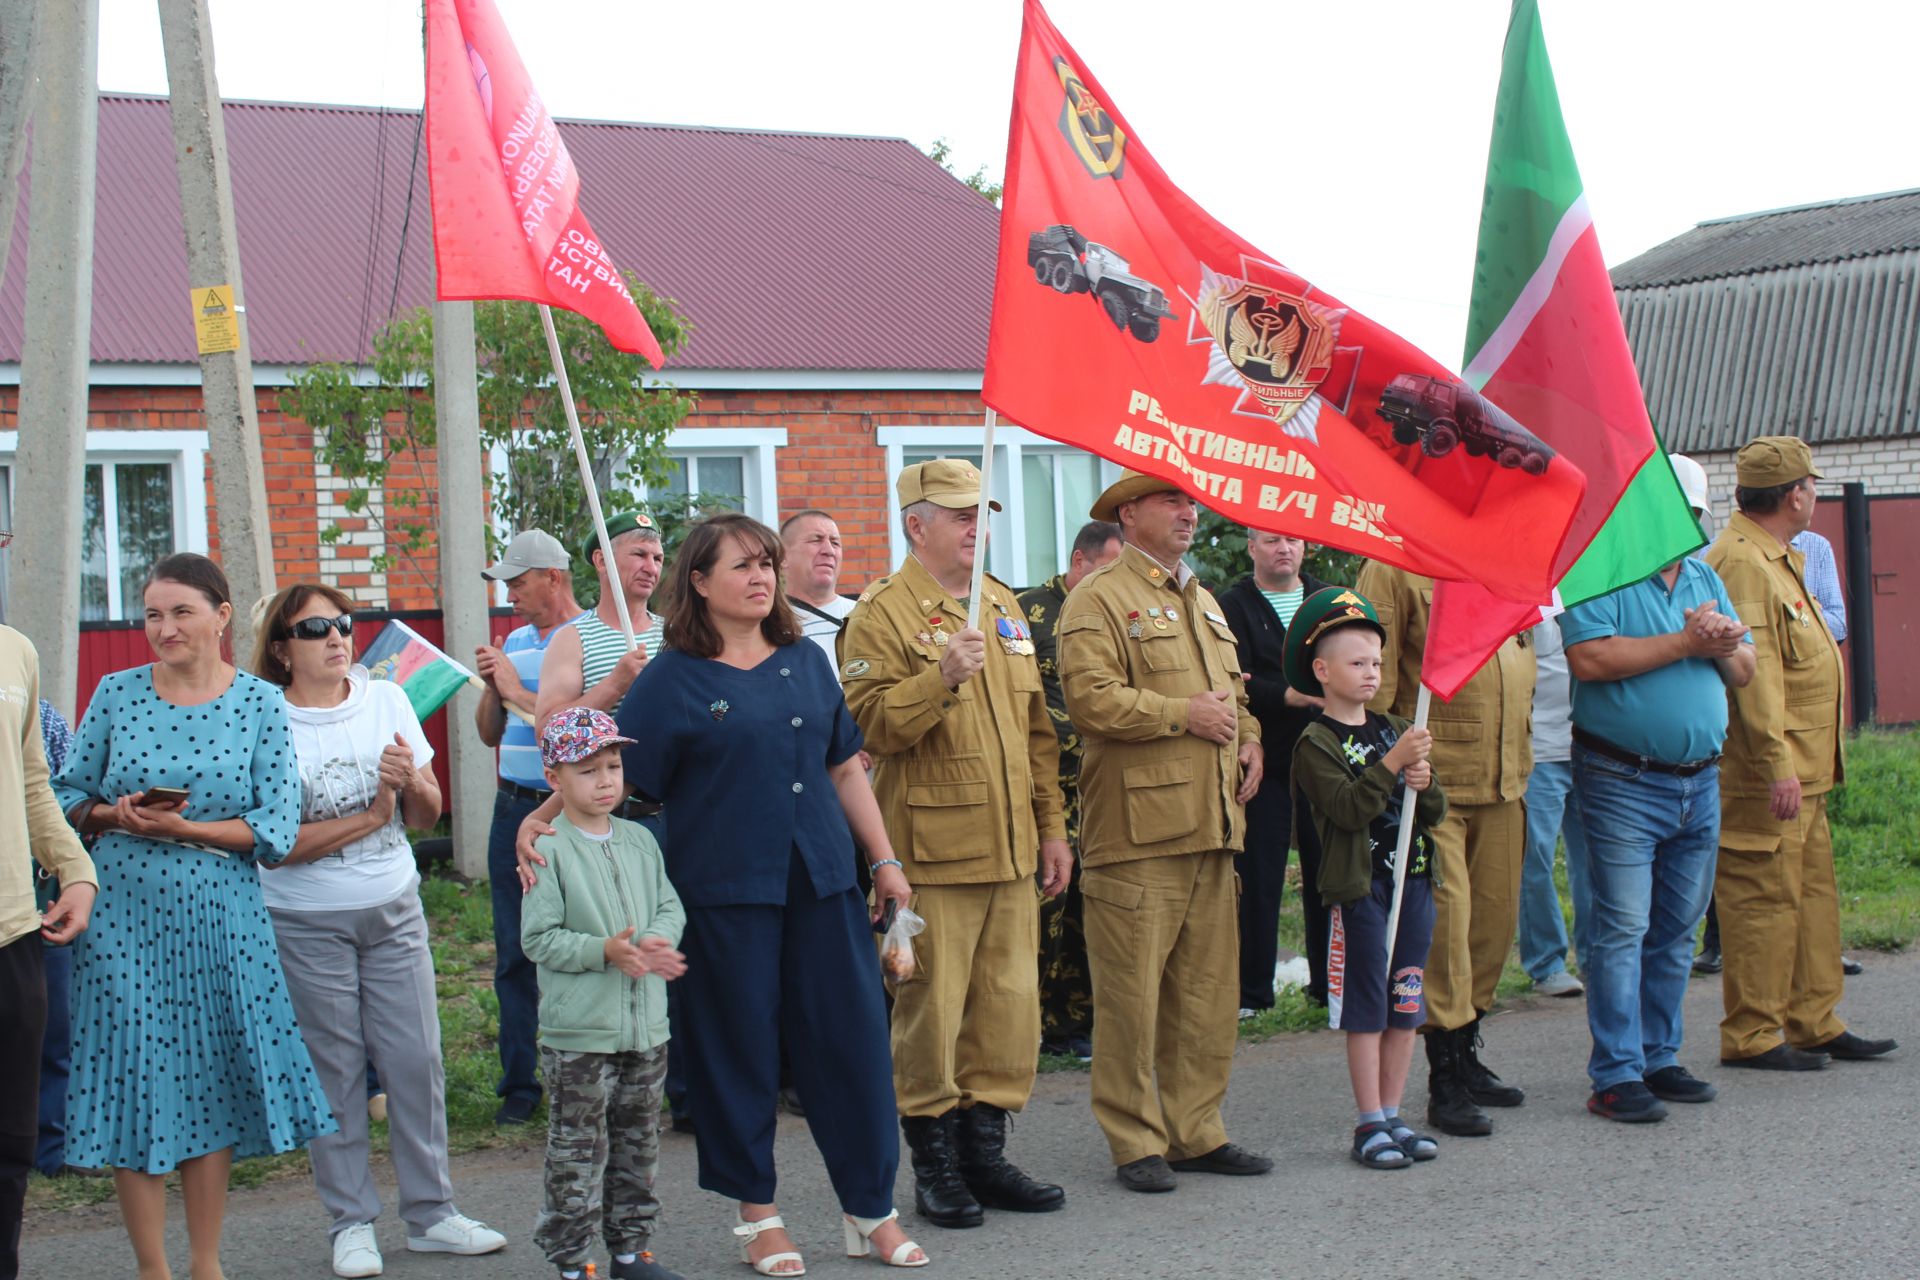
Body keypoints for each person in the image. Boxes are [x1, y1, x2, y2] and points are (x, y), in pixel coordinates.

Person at [519, 514, 926, 1275]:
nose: (761, 577)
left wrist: (885, 861)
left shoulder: (806, 659)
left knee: (854, 1045)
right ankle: (759, 1218)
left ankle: (870, 1207)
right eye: (741, 565)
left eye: (767, 562)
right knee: (738, 1052)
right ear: (698, 583)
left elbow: (845, 769)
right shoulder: (672, 676)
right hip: (725, 893)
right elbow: (614, 770)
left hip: (825, 881)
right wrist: (541, 820)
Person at [53, 553, 336, 1280]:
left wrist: (188, 832)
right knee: (136, 1078)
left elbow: (274, 828)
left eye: (181, 612)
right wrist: (110, 814)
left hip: (221, 917)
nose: (164, 628)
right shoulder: (115, 694)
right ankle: (153, 1268)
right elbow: (64, 796)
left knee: (208, 1080)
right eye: (152, 613)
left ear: (220, 615)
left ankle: (206, 1264)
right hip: (122, 917)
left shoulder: (259, 704)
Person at [840, 460, 1072, 1228]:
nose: (978, 527)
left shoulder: (1001, 605)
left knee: (1006, 1010)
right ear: (917, 525)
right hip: (933, 852)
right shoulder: (880, 611)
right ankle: (934, 1166)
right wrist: (939, 676)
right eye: (961, 514)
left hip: (1009, 849)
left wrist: (1050, 828)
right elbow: (867, 729)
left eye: (983, 514)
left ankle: (985, 1154)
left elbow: (1038, 733)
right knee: (930, 1010)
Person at [252, 584, 506, 1274]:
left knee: (415, 1060)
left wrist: (409, 784)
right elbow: (276, 844)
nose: (337, 637)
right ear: (281, 648)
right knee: (335, 1070)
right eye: (316, 629)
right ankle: (351, 1223)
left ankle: (432, 1214)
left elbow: (425, 817)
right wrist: (372, 809)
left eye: (344, 623)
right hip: (305, 916)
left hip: (394, 904)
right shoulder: (263, 717)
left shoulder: (388, 697)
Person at [1057, 470, 1272, 1193]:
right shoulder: (1099, 598)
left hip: (1211, 826)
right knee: (1132, 998)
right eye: (1171, 501)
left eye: (1191, 501)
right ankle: (1135, 1140)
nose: (1189, 512)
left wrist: (1250, 739)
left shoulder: (1203, 599)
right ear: (1129, 514)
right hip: (1138, 832)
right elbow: (1091, 701)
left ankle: (1196, 1131)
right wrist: (1182, 715)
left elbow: (1234, 696)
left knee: (1207, 995)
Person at [1559, 504, 1756, 1122]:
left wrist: (1722, 644)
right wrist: (1685, 642)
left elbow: (1745, 671)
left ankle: (1658, 1056)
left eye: (1691, 515)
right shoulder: (1599, 567)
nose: (1687, 525)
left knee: (1677, 930)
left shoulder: (1703, 577)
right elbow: (1589, 660)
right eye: (1673, 513)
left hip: (1698, 782)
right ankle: (1615, 1074)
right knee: (1622, 928)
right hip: (1623, 779)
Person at [1707, 437, 1897, 1070]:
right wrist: (1777, 764)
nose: (1813, 494)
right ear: (1795, 494)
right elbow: (1757, 680)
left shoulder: (1776, 556)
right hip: (1769, 773)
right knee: (1762, 898)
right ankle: (1755, 1033)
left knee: (1811, 896)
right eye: (1812, 485)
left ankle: (1813, 1019)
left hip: (1805, 769)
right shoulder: (1743, 562)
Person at [1356, 560, 1534, 1138]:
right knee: (1447, 932)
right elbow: (1373, 686)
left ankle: (1468, 1044)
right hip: (1435, 785)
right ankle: (1445, 1077)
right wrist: (1383, 770)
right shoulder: (1396, 561)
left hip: (1506, 777)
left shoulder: (1505, 551)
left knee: (1491, 927)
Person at [522, 708, 688, 1280]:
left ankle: (630, 1252)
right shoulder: (550, 847)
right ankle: (572, 1262)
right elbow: (539, 939)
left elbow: (669, 903)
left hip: (646, 1028)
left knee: (638, 1145)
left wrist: (659, 936)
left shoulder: (641, 839)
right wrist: (604, 951)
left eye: (613, 766)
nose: (605, 781)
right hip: (580, 1036)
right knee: (577, 1152)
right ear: (555, 779)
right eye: (588, 770)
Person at [1284, 587, 1446, 1169]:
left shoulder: (1395, 726)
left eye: (1377, 662)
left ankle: (1396, 1112)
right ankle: (1368, 1121)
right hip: (1362, 891)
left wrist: (1424, 780)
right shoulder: (1316, 742)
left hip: (1415, 881)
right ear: (1322, 672)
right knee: (1368, 1006)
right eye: (1357, 663)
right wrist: (1395, 764)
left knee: (1406, 999)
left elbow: (1435, 812)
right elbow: (1348, 808)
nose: (1372, 673)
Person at [473, 529, 588, 1126]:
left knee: (582, 940)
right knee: (514, 948)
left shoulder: (589, 636)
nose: (510, 593)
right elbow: (490, 733)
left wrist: (517, 688)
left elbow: (583, 721)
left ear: (553, 576)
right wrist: (494, 687)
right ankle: (521, 1083)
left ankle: (589, 1069)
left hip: (569, 808)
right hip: (511, 803)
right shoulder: (515, 639)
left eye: (518, 581)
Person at [1, 632, 97, 1280]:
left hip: (13, 931)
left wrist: (75, 869)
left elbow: (34, 781)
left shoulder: (16, 653)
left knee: (9, 1151)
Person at [1017, 519, 1121, 1061]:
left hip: (1102, 786)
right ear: (1079, 562)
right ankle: (1022, 1024)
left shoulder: (1115, 616)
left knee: (1089, 907)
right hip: (1044, 790)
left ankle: (1073, 1023)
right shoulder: (1025, 610)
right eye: (1107, 569)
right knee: (1043, 905)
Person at [1216, 528, 1331, 1012]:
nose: (1283, 549)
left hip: (1324, 759)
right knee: (1259, 877)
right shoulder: (1232, 606)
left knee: (1330, 875)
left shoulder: (1326, 599)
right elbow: (1234, 679)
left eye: (1292, 540)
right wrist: (1288, 694)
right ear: (1251, 547)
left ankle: (1329, 988)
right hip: (1263, 758)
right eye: (1270, 541)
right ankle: (1252, 995)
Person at [534, 512, 668, 731]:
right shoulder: (573, 638)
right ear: (602, 560)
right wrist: (615, 684)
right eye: (639, 554)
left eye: (657, 559)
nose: (651, 568)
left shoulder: (674, 633)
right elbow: (546, 731)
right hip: (609, 765)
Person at [1515, 619, 1589, 998]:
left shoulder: (1591, 584)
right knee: (1536, 858)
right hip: (1539, 749)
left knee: (1596, 860)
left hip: (1593, 744)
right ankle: (1547, 963)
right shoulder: (1526, 592)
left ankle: (1598, 958)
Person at [30, 699, 80, 1180]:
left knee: (54, 1027)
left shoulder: (37, 711)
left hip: (36, 885)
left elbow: (64, 793)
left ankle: (55, 1148)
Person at [781, 510, 857, 669]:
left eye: (835, 543)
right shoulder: (768, 625)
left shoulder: (867, 617)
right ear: (782, 558)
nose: (829, 551)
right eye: (816, 540)